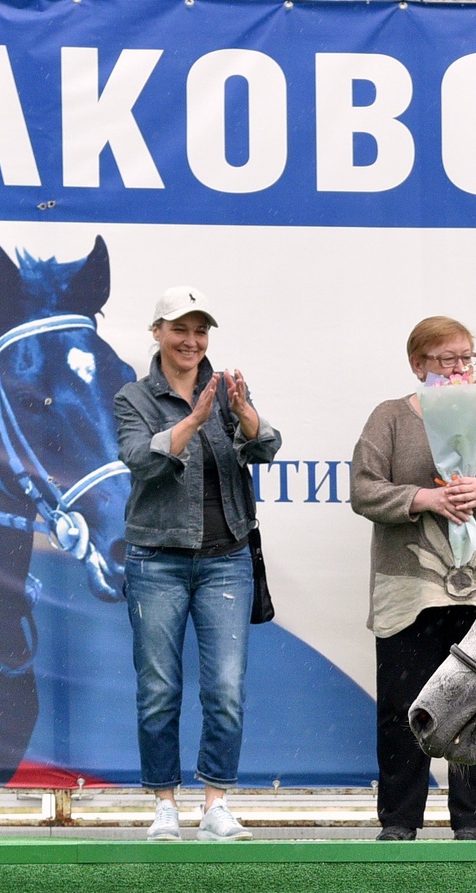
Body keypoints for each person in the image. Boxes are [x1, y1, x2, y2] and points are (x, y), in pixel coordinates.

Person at [350, 315, 476, 840]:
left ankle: (472, 825)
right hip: (410, 591)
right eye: (446, 360)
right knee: (402, 707)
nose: (459, 369)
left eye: (467, 358)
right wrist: (422, 499)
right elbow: (363, 489)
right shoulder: (388, 418)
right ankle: (399, 823)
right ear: (417, 365)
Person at [111, 287, 281, 842]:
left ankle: (216, 803)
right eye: (179, 328)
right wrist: (194, 420)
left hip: (226, 559)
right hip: (156, 560)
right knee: (158, 687)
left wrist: (246, 415)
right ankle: (164, 803)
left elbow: (266, 448)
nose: (191, 340)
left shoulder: (227, 389)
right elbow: (140, 460)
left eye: (200, 330)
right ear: (156, 332)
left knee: (226, 687)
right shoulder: (133, 397)